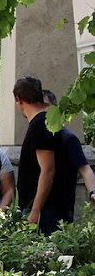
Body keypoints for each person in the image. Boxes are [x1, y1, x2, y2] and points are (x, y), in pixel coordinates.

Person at [14, 76, 66, 234]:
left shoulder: (40, 125)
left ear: (19, 99)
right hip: (40, 207)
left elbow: (48, 169)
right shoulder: (41, 123)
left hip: (41, 210)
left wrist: (35, 210)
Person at [44, 89, 95, 218]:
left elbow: (85, 169)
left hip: (58, 211)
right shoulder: (34, 138)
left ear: (55, 109)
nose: (41, 111)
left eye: (45, 106)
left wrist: (93, 192)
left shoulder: (67, 139)